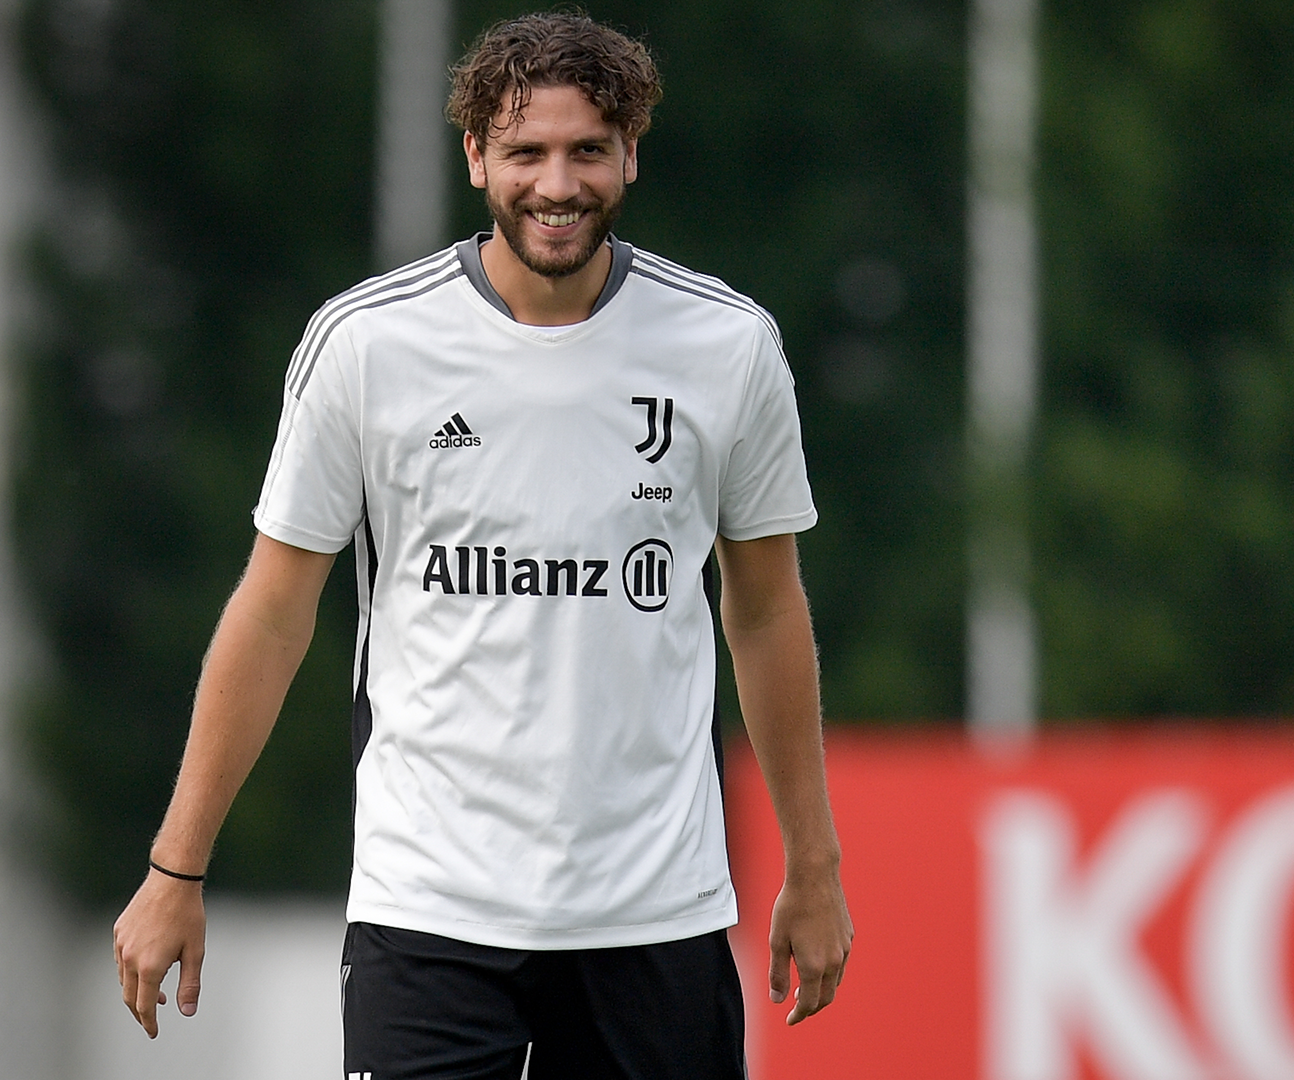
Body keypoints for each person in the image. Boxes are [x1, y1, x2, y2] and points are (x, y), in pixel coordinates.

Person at [110, 11, 852, 1077]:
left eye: (588, 149)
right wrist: (176, 867)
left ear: (631, 155)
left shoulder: (726, 346)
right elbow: (273, 613)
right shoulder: (368, 345)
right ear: (475, 159)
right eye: (527, 152)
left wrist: (813, 866)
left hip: (655, 913)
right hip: (430, 914)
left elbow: (767, 608)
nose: (558, 184)